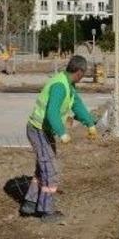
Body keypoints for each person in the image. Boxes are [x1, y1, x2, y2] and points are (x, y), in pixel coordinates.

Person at [21, 55, 98, 223]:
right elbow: (52, 112)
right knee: (50, 169)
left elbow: (77, 106)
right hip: (38, 129)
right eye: (84, 73)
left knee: (44, 166)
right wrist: (62, 133)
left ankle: (30, 202)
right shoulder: (60, 86)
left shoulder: (69, 85)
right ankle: (46, 211)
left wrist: (90, 124)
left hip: (44, 130)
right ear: (79, 72)